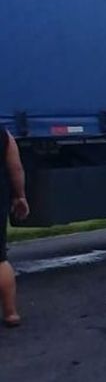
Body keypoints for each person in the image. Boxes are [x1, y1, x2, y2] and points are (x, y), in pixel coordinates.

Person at [2, 126, 28, 328]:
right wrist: (20, 196)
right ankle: (10, 313)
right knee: (0, 260)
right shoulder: (3, 134)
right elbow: (16, 168)